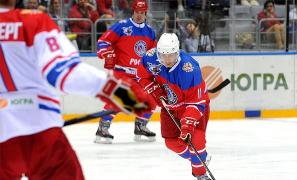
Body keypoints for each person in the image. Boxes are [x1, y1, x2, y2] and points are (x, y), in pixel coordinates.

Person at [0, 0, 155, 179]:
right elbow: (64, 72)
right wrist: (122, 94)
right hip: (40, 132)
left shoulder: (149, 32)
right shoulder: (34, 21)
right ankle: (104, 128)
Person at [138, 33, 211, 180]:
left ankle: (200, 174)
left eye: (170, 55)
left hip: (192, 107)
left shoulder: (189, 69)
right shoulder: (151, 57)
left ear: (177, 52)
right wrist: (155, 90)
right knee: (171, 142)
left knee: (195, 142)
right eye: (163, 55)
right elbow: (142, 74)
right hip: (170, 107)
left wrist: (187, 127)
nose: (166, 60)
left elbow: (195, 103)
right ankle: (198, 159)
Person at [95, 0, 157, 143]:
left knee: (152, 98)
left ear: (146, 13)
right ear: (133, 11)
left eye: (142, 13)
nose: (140, 15)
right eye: (137, 12)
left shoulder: (150, 32)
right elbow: (103, 42)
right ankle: (102, 128)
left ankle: (141, 126)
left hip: (140, 75)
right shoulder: (122, 26)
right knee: (120, 99)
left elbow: (153, 54)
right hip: (122, 72)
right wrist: (108, 54)